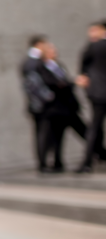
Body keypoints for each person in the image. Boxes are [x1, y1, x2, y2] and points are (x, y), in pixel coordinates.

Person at [38, 42, 86, 172]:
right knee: (54, 137)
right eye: (52, 51)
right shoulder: (43, 67)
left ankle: (97, 153)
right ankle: (52, 163)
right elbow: (53, 83)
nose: (55, 53)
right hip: (55, 109)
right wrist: (72, 82)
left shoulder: (59, 66)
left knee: (84, 131)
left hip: (68, 108)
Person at [21, 35, 53, 170]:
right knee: (42, 134)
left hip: (36, 104)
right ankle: (42, 164)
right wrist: (48, 96)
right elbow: (34, 85)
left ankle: (43, 163)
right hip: (41, 105)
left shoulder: (28, 62)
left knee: (41, 134)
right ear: (39, 44)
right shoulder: (34, 62)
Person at [79, 20, 106, 173]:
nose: (91, 35)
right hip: (99, 92)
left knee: (95, 127)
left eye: (93, 31)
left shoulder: (92, 47)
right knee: (96, 127)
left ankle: (87, 162)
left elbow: (82, 70)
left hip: (97, 93)